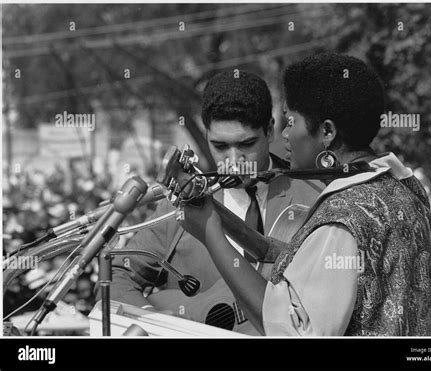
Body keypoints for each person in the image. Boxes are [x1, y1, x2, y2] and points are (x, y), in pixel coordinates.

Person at [179, 53, 431, 336]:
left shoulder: (342, 220)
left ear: (326, 131)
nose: (285, 134)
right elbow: (300, 259)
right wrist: (218, 214)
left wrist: (211, 234)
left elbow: (289, 331)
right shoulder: (400, 191)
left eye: (290, 121)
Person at [104, 70, 324, 328]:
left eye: (246, 144)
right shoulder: (180, 203)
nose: (233, 161)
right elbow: (118, 274)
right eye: (220, 146)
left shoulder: (315, 198)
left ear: (270, 130)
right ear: (206, 135)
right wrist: (153, 325)